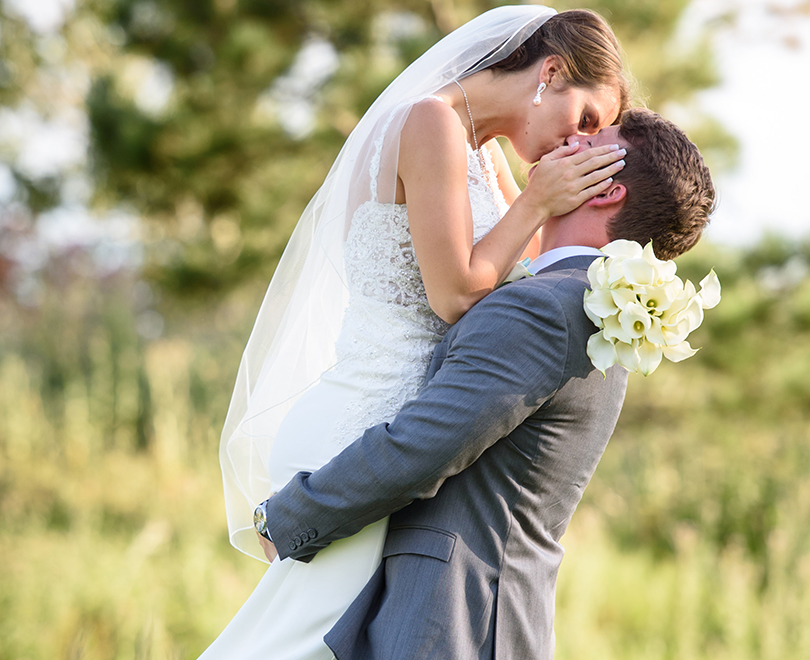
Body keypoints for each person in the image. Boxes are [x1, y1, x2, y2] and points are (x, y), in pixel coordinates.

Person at [206, 6, 630, 660]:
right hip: (361, 432)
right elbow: (459, 293)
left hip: (395, 443)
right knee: (291, 648)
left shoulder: (486, 160)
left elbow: (525, 277)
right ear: (550, 72)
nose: (576, 145)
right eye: (585, 121)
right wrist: (537, 202)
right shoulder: (430, 121)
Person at [256, 108, 716, 660]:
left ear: (606, 191)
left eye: (593, 138)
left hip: (450, 622)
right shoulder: (593, 308)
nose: (572, 136)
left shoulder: (547, 308)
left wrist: (288, 516)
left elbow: (424, 445)